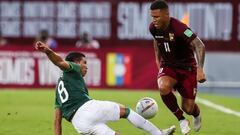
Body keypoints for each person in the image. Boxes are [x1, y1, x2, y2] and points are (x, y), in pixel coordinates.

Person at [35, 41, 176, 135]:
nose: (86, 66)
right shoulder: (73, 68)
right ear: (76, 63)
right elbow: (60, 62)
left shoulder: (59, 89)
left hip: (80, 124)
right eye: (84, 62)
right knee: (126, 111)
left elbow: (56, 121)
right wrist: (47, 51)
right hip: (88, 109)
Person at [149, 0, 206, 135]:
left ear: (166, 15)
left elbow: (199, 45)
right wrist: (158, 60)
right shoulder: (153, 28)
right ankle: (181, 119)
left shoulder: (181, 29)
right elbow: (156, 40)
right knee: (163, 86)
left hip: (187, 68)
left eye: (156, 17)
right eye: (152, 16)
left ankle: (196, 115)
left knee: (188, 108)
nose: (154, 20)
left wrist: (200, 68)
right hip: (168, 65)